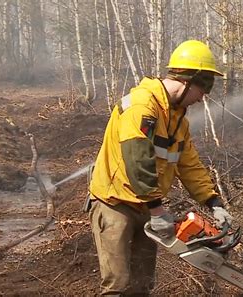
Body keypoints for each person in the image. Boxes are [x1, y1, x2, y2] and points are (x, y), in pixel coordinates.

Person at [87, 40, 233, 296]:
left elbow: (189, 165)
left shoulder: (177, 119)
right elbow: (137, 158)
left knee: (142, 286)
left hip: (146, 204)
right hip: (115, 203)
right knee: (117, 286)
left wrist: (213, 202)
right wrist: (157, 209)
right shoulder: (142, 106)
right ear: (188, 80)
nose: (203, 97)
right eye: (203, 88)